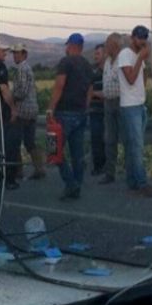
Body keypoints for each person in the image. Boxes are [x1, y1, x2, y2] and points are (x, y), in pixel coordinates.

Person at [46, 33, 93, 200]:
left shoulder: (65, 62)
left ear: (71, 46)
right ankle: (77, 186)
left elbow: (59, 85)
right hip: (80, 113)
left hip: (64, 112)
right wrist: (84, 108)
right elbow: (90, 90)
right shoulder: (87, 65)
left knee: (54, 150)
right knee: (77, 154)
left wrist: (50, 109)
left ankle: (70, 183)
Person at [117, 26, 152, 198]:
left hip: (139, 104)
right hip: (129, 106)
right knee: (137, 146)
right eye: (139, 38)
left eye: (144, 38)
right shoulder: (126, 55)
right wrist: (140, 58)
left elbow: (142, 79)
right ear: (132, 38)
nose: (142, 41)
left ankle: (132, 181)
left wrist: (143, 60)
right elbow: (131, 78)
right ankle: (142, 183)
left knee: (132, 145)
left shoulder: (138, 56)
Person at [10, 43, 46, 180]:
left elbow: (22, 91)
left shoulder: (21, 69)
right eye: (14, 53)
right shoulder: (28, 68)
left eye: (18, 53)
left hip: (22, 111)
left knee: (15, 141)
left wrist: (10, 97)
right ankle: (39, 168)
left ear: (24, 54)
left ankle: (18, 171)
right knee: (30, 141)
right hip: (32, 110)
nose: (15, 55)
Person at [0, 40, 19, 190]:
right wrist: (13, 108)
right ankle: (9, 179)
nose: (5, 53)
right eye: (2, 51)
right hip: (2, 111)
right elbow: (4, 90)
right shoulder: (0, 67)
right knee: (8, 145)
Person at [99, 33, 123, 185]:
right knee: (109, 139)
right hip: (108, 102)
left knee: (127, 138)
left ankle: (131, 172)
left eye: (107, 44)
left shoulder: (123, 59)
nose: (105, 47)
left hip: (121, 102)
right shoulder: (107, 61)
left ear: (115, 45)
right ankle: (110, 173)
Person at [88, 44, 106, 176]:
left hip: (106, 111)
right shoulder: (92, 71)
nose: (95, 56)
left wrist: (94, 93)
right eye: (95, 54)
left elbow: (109, 93)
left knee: (106, 140)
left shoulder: (110, 72)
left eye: (98, 54)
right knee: (95, 140)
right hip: (94, 110)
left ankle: (106, 167)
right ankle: (98, 166)